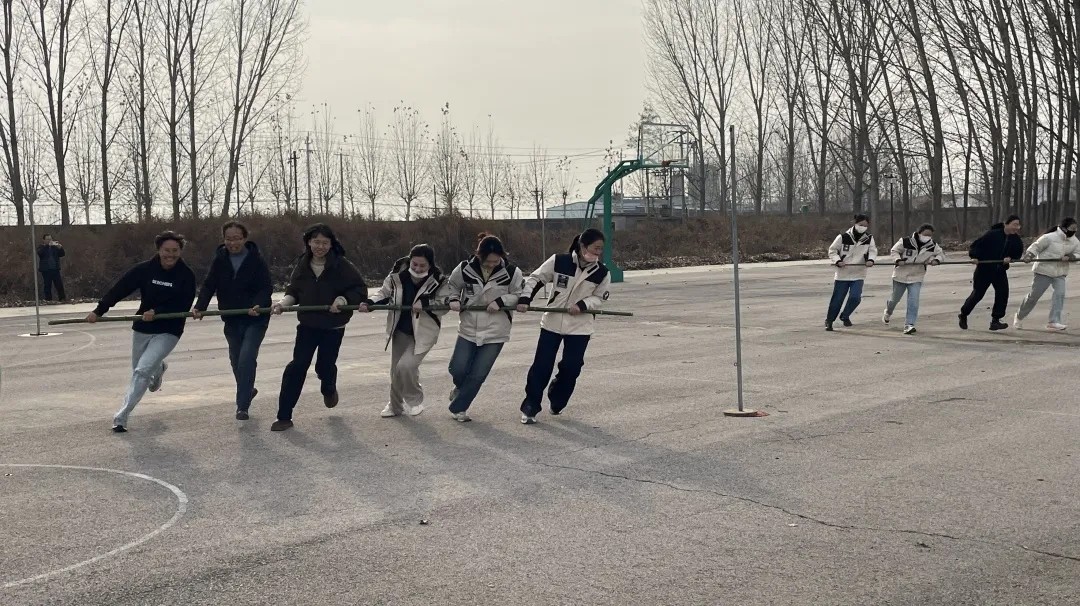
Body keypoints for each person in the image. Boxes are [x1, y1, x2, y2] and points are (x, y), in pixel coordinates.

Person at [86, 231, 197, 432]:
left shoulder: (186, 275)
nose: (170, 255)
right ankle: (159, 368)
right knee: (140, 369)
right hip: (143, 327)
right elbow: (119, 289)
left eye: (175, 251)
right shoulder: (145, 269)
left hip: (169, 329)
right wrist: (99, 310)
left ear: (180, 251)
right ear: (159, 250)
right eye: (166, 250)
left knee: (142, 371)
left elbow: (183, 303)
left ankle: (122, 416)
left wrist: (158, 312)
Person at [269, 224, 367, 432]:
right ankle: (284, 416)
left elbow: (359, 290)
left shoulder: (342, 265)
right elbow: (294, 290)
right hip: (308, 325)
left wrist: (342, 300)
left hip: (333, 326)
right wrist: (283, 303)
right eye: (316, 242)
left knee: (325, 366)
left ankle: (329, 388)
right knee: (297, 366)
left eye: (324, 242)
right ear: (309, 243)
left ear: (331, 244)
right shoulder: (303, 265)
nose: (320, 246)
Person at [516, 228, 612, 425]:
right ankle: (530, 406)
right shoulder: (559, 261)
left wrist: (583, 305)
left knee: (572, 367)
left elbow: (599, 298)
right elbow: (536, 278)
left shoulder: (602, 272)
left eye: (600, 249)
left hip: (580, 327)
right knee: (541, 366)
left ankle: (557, 400)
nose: (598, 252)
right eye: (595, 248)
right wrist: (526, 298)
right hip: (552, 322)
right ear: (583, 246)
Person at [191, 221, 274, 420]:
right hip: (231, 318)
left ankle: (242, 406)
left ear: (244, 238)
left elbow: (266, 287)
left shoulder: (256, 259)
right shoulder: (220, 260)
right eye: (228, 239)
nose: (232, 243)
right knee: (236, 360)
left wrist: (258, 304)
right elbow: (209, 285)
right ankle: (247, 389)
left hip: (255, 318)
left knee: (246, 358)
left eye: (237, 238)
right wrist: (200, 307)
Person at [360, 244, 451, 419]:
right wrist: (369, 303)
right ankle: (395, 406)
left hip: (424, 332)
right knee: (396, 371)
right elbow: (384, 293)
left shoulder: (439, 281)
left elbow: (444, 305)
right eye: (414, 264)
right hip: (400, 330)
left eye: (422, 265)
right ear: (410, 261)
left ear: (430, 264)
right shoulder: (397, 276)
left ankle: (415, 399)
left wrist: (425, 304)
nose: (417, 269)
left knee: (406, 366)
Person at [444, 233, 524, 422]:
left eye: (496, 261)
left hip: (496, 331)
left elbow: (519, 294)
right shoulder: (464, 268)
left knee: (478, 373)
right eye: (488, 262)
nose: (492, 265)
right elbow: (452, 285)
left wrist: (501, 301)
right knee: (458, 368)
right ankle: (459, 388)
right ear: (479, 256)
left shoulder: (512, 272)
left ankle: (459, 408)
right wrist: (453, 299)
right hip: (468, 327)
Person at [1013, 217, 1080, 331]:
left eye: (1075, 229)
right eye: (1071, 228)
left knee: (1059, 295)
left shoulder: (1075, 241)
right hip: (1043, 271)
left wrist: (1071, 257)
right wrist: (1029, 255)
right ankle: (1019, 316)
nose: (1073, 231)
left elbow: (1078, 253)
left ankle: (1054, 321)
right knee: (1034, 296)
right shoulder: (1049, 237)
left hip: (1060, 272)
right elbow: (1036, 247)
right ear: (1064, 228)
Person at [959, 215, 1024, 331]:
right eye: (1014, 224)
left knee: (1003, 293)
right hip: (984, 269)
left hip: (1000, 270)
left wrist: (1010, 257)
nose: (1016, 227)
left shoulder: (1015, 239)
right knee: (978, 294)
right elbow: (976, 246)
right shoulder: (992, 234)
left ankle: (995, 320)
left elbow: (1018, 253)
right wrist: (974, 257)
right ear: (1006, 224)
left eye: (1018, 225)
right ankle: (964, 314)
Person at [882, 224, 946, 335]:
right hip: (900, 275)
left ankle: (909, 324)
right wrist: (898, 260)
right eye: (925, 234)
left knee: (913, 301)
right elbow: (894, 251)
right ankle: (888, 312)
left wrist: (936, 260)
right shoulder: (905, 241)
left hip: (917, 276)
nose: (927, 237)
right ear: (919, 233)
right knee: (894, 299)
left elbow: (941, 254)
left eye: (930, 235)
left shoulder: (932, 245)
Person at [825, 214, 877, 331]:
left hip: (858, 274)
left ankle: (845, 315)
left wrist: (870, 260)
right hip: (843, 274)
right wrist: (838, 261)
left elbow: (873, 251)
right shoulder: (843, 237)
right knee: (837, 299)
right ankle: (829, 320)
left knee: (855, 297)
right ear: (855, 223)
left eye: (865, 225)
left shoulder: (869, 238)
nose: (863, 227)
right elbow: (832, 251)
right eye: (860, 224)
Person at [37, 233, 66, 302]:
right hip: (46, 270)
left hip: (55, 269)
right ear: (44, 240)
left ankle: (62, 298)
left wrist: (60, 248)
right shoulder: (41, 247)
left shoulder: (55, 247)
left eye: (50, 239)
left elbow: (62, 254)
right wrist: (47, 246)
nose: (49, 241)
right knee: (47, 285)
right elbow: (40, 253)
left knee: (59, 284)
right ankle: (48, 299)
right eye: (47, 239)